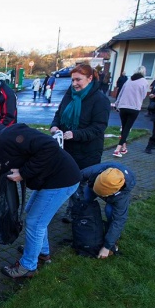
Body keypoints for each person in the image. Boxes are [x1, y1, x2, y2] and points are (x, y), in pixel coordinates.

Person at [0, 124, 81, 278]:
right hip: (47, 181)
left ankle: (28, 266)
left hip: (62, 178)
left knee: (35, 222)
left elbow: (50, 146)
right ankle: (41, 251)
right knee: (34, 217)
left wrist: (24, 172)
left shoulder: (9, 136)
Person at [50, 64, 110, 222]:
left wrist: (75, 134)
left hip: (88, 152)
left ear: (90, 79)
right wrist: (55, 126)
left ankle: (80, 216)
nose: (74, 83)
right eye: (72, 80)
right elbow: (59, 113)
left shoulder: (100, 100)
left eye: (78, 80)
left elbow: (99, 128)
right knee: (67, 180)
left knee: (82, 185)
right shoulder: (69, 94)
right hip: (67, 149)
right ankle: (70, 211)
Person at [80, 163, 136, 258]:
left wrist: (107, 247)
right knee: (84, 200)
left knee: (110, 211)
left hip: (113, 198)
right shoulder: (94, 171)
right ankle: (83, 224)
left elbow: (119, 220)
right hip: (93, 186)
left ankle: (112, 239)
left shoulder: (122, 195)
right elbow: (76, 178)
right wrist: (77, 194)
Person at [113, 66, 149, 157]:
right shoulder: (144, 82)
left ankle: (124, 148)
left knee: (124, 127)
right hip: (134, 107)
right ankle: (117, 149)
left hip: (123, 106)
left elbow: (121, 92)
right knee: (127, 128)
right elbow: (144, 96)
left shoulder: (128, 80)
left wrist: (117, 104)